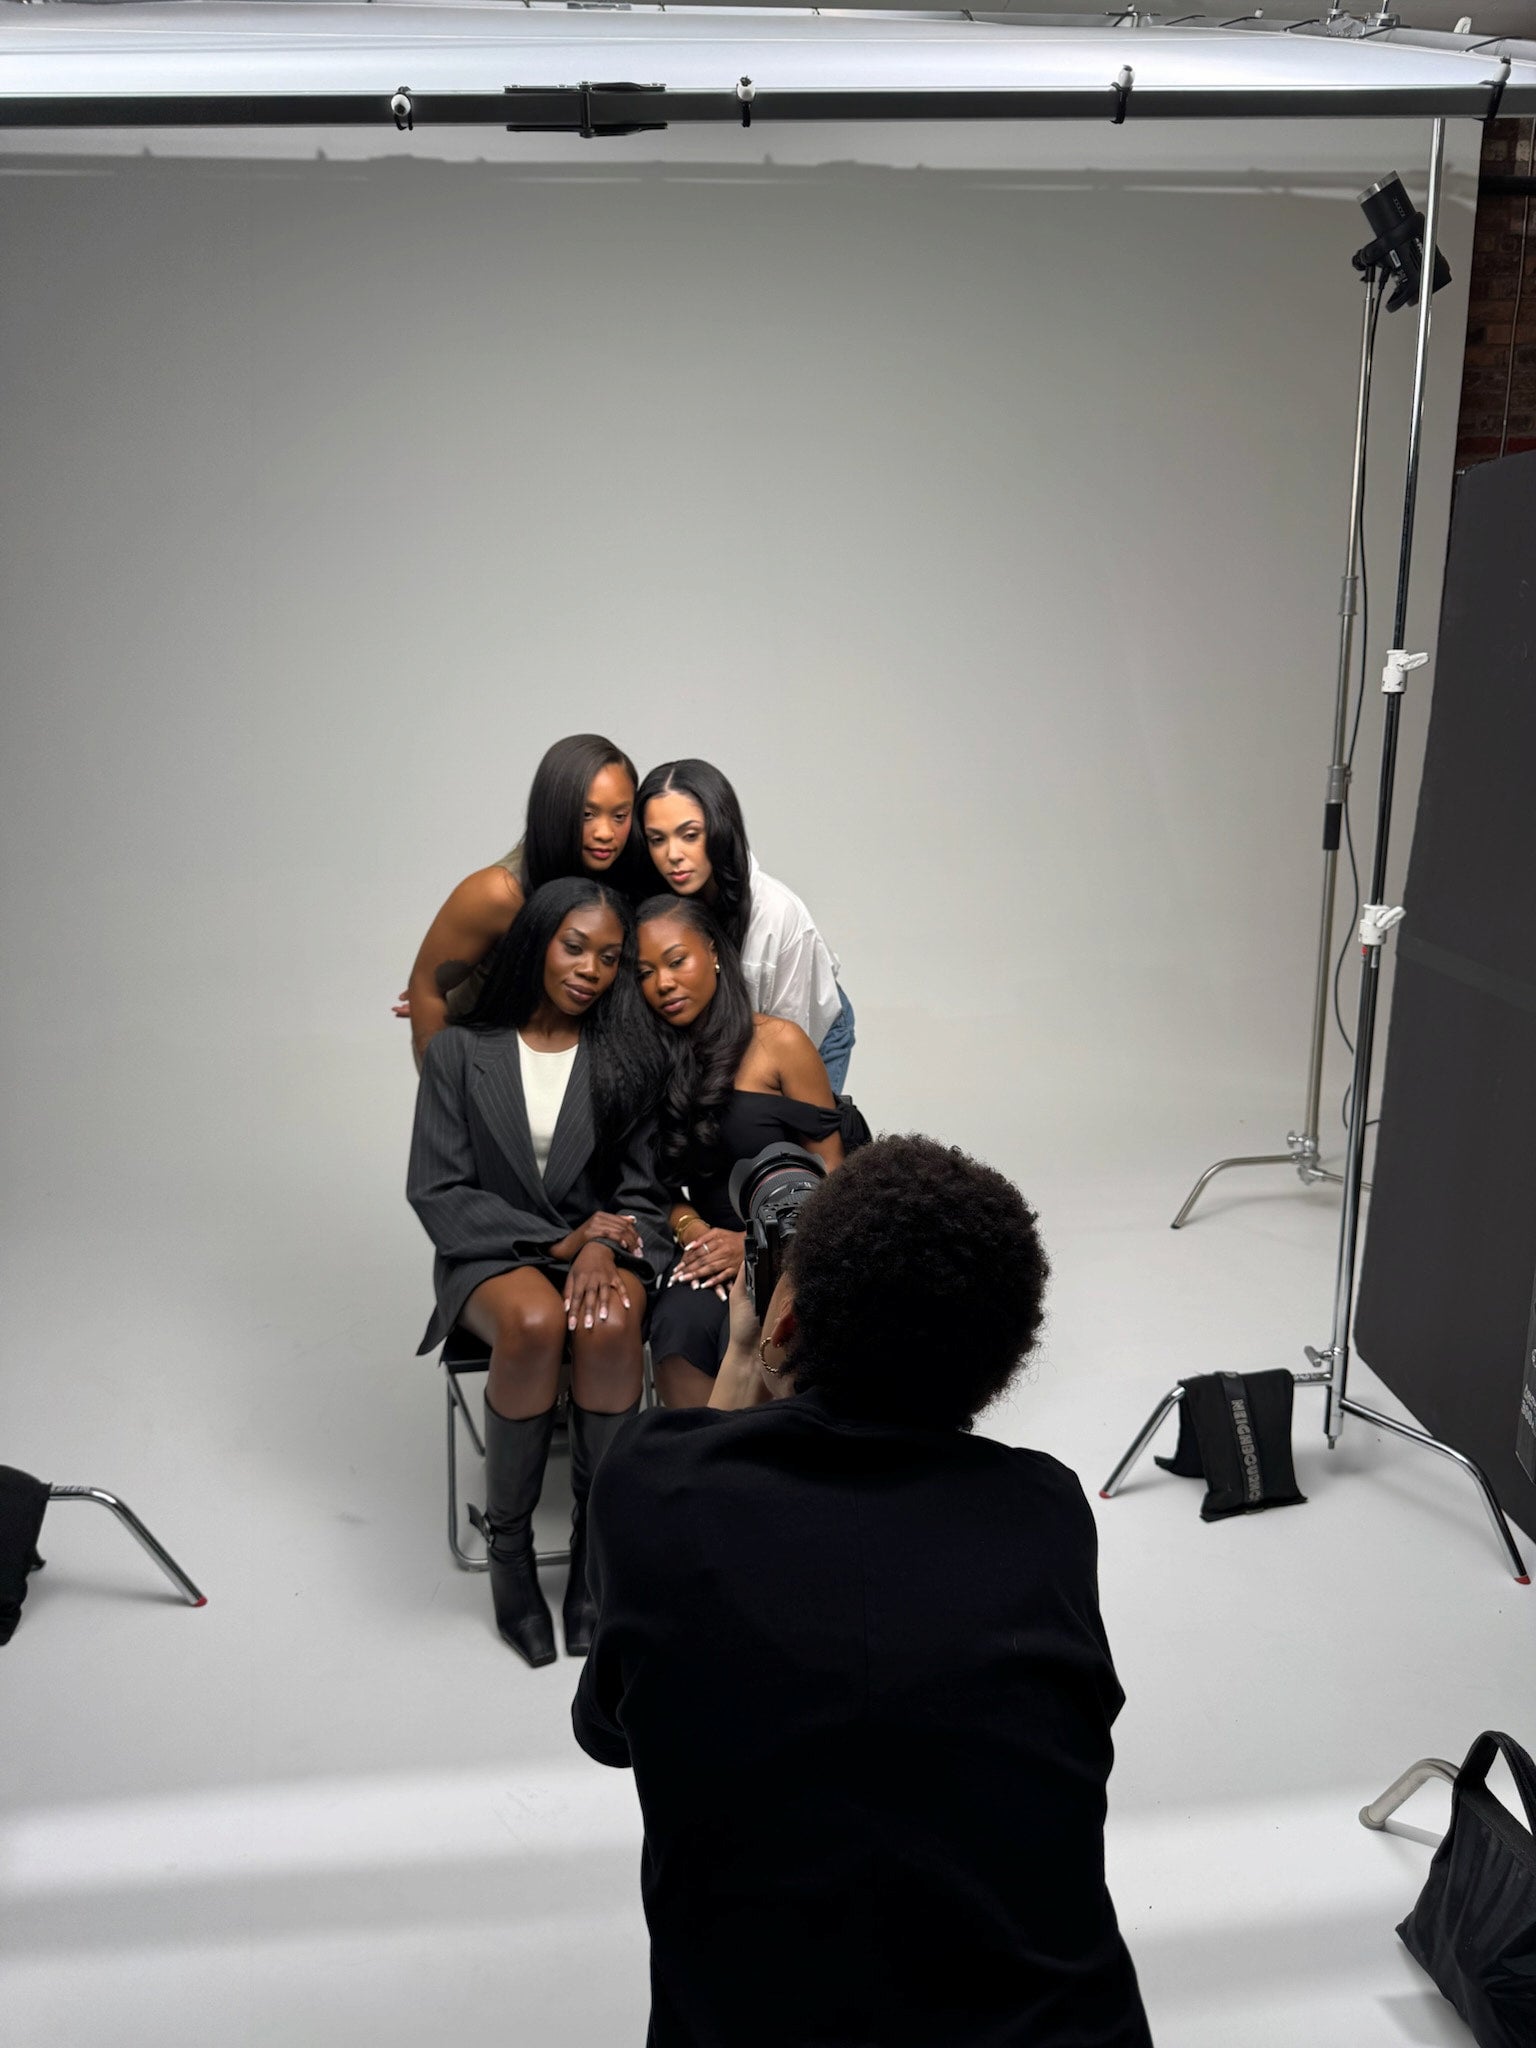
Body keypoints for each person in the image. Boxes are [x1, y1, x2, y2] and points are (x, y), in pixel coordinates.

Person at [572, 1135, 1153, 2048]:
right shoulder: (1041, 1509)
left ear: (787, 1317)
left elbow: (609, 1731)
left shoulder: (650, 1487)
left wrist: (742, 1367)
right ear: (996, 1363)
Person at [407, 877, 670, 1667]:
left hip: (604, 1247)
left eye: (609, 958)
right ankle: (511, 1554)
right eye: (574, 946)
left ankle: (595, 1550)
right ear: (539, 941)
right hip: (493, 1254)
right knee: (534, 1322)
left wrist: (600, 1245)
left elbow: (643, 1194)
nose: (590, 968)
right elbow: (438, 1191)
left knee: (612, 1318)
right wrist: (559, 1245)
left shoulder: (628, 1056)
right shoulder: (460, 1050)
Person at [635, 895, 843, 1409]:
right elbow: (654, 1189)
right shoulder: (653, 1062)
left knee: (773, 1338)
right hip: (706, 1253)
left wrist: (752, 1243)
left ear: (714, 952)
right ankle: (698, 1478)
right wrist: (696, 1232)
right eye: (645, 972)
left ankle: (763, 1482)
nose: (663, 983)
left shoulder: (781, 1043)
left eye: (676, 960)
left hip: (792, 1241)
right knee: (678, 1326)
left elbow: (835, 1178)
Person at [397, 733, 650, 1069]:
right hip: (491, 1076)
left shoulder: (626, 879)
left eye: (620, 816)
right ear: (553, 810)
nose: (605, 832)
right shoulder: (498, 892)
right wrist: (447, 1101)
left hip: (573, 1078)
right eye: (588, 814)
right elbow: (426, 988)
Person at [635, 758, 857, 1092]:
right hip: (717, 1034)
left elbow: (786, 1045)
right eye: (657, 839)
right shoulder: (652, 905)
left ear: (721, 828)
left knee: (775, 1131)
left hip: (804, 1024)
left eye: (690, 835)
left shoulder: (778, 915)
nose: (673, 854)